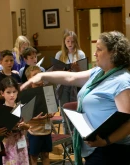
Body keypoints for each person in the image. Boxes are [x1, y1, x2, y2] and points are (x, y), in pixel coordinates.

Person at [21, 31, 130, 165]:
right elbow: (71, 77)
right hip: (95, 147)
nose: (95, 53)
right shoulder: (99, 72)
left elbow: (128, 121)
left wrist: (106, 141)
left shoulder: (121, 81)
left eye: (99, 49)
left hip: (112, 149)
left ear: (114, 53)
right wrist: (43, 76)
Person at [24, 65, 54, 165]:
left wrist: (51, 113)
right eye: (35, 75)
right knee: (34, 156)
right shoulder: (26, 94)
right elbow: (25, 116)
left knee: (46, 154)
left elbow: (53, 109)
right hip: (34, 131)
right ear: (29, 79)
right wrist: (34, 118)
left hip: (46, 130)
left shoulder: (47, 90)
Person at [0, 77, 29, 165]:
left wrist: (24, 126)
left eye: (14, 92)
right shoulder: (0, 110)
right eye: (8, 92)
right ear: (2, 93)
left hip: (21, 141)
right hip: (8, 144)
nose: (12, 95)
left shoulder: (22, 107)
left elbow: (28, 126)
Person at [55, 30, 85, 106]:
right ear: (64, 42)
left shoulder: (80, 54)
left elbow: (84, 72)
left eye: (72, 41)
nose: (70, 44)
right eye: (68, 41)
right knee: (64, 106)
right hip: (63, 83)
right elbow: (56, 72)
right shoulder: (59, 54)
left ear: (75, 42)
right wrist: (64, 72)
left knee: (75, 106)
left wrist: (77, 68)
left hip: (76, 83)